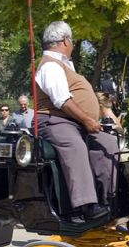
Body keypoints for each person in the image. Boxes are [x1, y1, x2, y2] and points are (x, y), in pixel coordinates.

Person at [35, 21, 118, 221]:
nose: (72, 45)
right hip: (54, 120)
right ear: (65, 40)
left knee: (109, 143)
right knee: (74, 146)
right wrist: (87, 119)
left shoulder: (64, 65)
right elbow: (61, 100)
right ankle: (86, 205)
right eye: (71, 41)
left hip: (76, 122)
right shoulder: (50, 65)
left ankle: (109, 198)